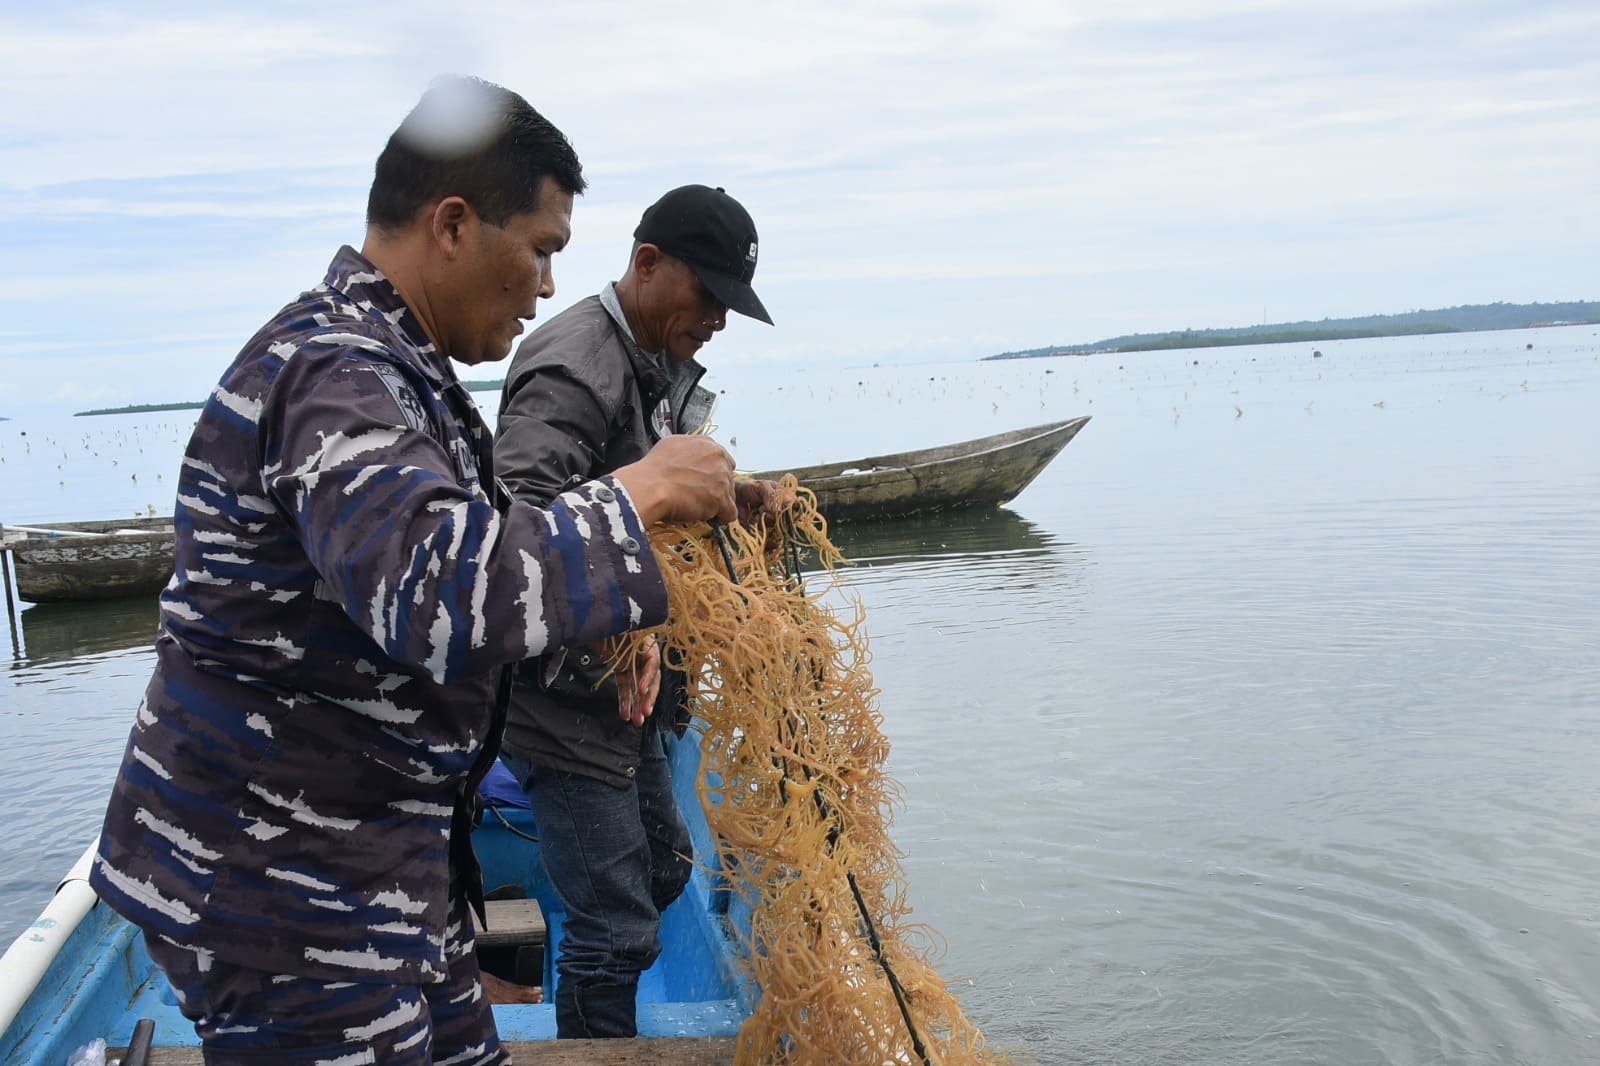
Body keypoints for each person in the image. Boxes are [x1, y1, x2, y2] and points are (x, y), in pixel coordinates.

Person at [88, 78, 737, 1066]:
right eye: (543, 248)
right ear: (453, 225)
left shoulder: (396, 374)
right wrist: (638, 494)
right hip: (280, 880)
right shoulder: (334, 373)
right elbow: (432, 595)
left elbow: (466, 547)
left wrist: (615, 611)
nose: (549, 286)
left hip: (382, 855)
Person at [492, 184, 775, 1039]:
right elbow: (519, 524)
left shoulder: (651, 358)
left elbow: (644, 500)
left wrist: (736, 496)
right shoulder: (575, 363)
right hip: (562, 703)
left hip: (632, 694)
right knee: (616, 930)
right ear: (648, 265)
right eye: (710, 297)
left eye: (732, 305)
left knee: (663, 868)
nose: (719, 321)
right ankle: (591, 1050)